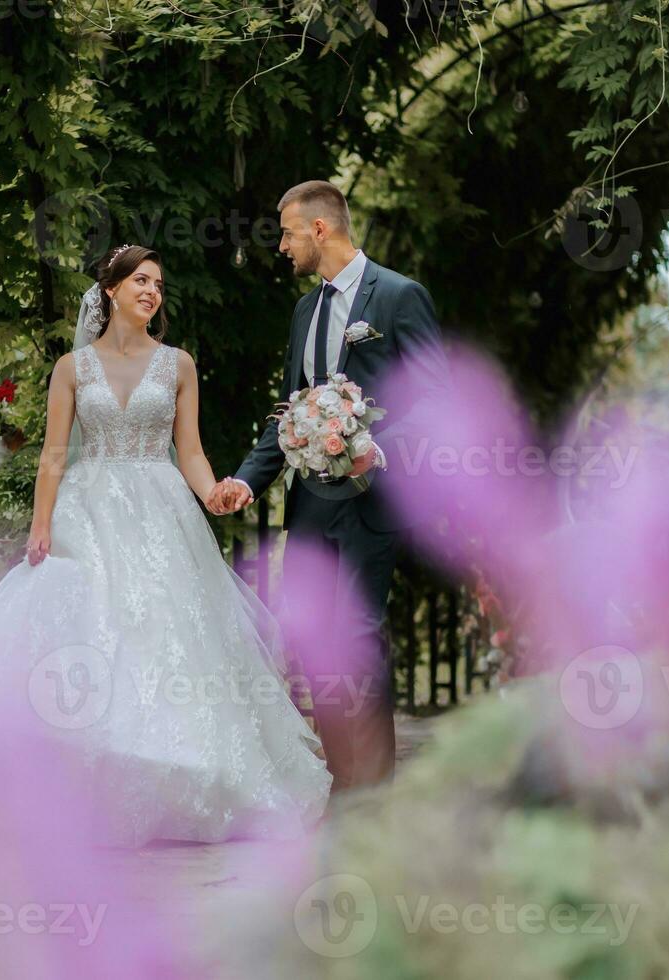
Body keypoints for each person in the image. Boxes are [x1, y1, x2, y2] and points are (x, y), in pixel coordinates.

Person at [0, 244, 330, 847]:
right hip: (86, 512)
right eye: (141, 280)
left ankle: (184, 776)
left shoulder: (178, 365)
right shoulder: (73, 368)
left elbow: (191, 452)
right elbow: (54, 453)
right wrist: (41, 525)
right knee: (90, 629)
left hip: (161, 506)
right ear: (111, 290)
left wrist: (215, 493)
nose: (152, 291)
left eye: (160, 285)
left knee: (167, 635)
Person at [209, 180, 450, 789]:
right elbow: (292, 414)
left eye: (288, 233)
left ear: (320, 229)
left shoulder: (398, 296)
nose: (282, 247)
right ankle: (340, 778)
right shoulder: (304, 310)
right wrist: (246, 478)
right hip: (311, 502)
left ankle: (373, 785)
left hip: (373, 499)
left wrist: (376, 449)